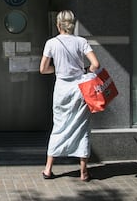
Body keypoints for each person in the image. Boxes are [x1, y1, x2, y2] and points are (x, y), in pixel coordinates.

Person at [39, 10, 100, 182]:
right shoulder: (81, 41)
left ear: (58, 25)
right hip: (80, 90)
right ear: (72, 25)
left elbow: (43, 69)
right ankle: (84, 173)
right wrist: (83, 71)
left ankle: (48, 169)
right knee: (82, 129)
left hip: (61, 91)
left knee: (58, 127)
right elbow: (95, 64)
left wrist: (58, 70)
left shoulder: (51, 43)